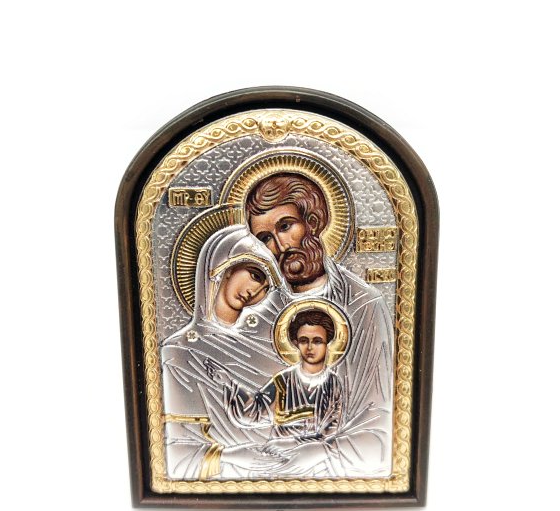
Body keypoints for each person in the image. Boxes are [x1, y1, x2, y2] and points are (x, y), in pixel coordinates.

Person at [245, 173, 394, 477]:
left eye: (286, 226)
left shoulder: (363, 305)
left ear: (313, 221)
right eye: (265, 238)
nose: (280, 245)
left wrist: (321, 451)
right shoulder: (260, 310)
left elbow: (378, 424)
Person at [160, 224, 291, 480]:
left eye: (266, 287)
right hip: (226, 475)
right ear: (225, 266)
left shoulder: (269, 346)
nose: (256, 291)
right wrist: (231, 457)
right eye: (255, 275)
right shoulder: (180, 352)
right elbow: (177, 457)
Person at [207, 310, 343, 477]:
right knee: (249, 457)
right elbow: (254, 411)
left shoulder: (332, 384)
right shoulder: (283, 381)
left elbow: (331, 434)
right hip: (277, 454)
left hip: (313, 459)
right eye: (303, 340)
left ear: (327, 343)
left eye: (317, 341)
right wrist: (228, 383)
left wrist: (292, 443)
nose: (309, 347)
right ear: (296, 343)